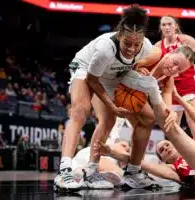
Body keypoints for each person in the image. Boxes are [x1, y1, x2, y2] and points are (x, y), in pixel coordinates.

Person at [54, 4, 158, 191]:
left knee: (148, 118)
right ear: (119, 35)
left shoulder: (146, 47)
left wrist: (139, 70)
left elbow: (131, 65)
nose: (132, 49)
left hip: (112, 75)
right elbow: (92, 80)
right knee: (82, 111)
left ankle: (133, 172)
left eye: (137, 44)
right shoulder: (105, 48)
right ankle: (66, 170)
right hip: (87, 69)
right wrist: (112, 105)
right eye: (127, 43)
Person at [155, 15, 195, 135]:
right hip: (169, 90)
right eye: (164, 24)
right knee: (172, 130)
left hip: (188, 86)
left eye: (170, 24)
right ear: (161, 28)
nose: (167, 27)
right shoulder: (157, 46)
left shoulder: (185, 40)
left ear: (176, 26)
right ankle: (178, 154)